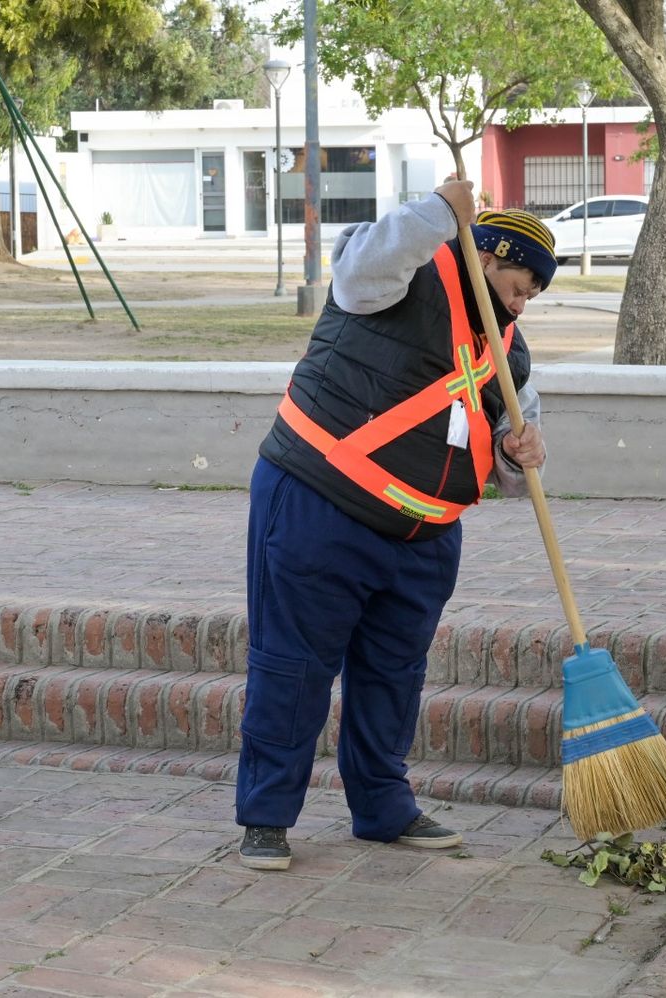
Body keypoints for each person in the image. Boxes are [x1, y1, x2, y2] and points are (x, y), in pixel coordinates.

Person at [235, 180, 554, 871]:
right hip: (321, 503)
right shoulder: (393, 274)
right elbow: (355, 270)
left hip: (424, 538)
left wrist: (516, 451)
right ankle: (266, 816)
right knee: (293, 668)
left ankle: (382, 809)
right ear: (482, 255)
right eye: (517, 282)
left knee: (394, 678)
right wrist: (442, 213)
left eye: (534, 292)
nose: (523, 302)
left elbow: (508, 453)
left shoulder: (510, 352)